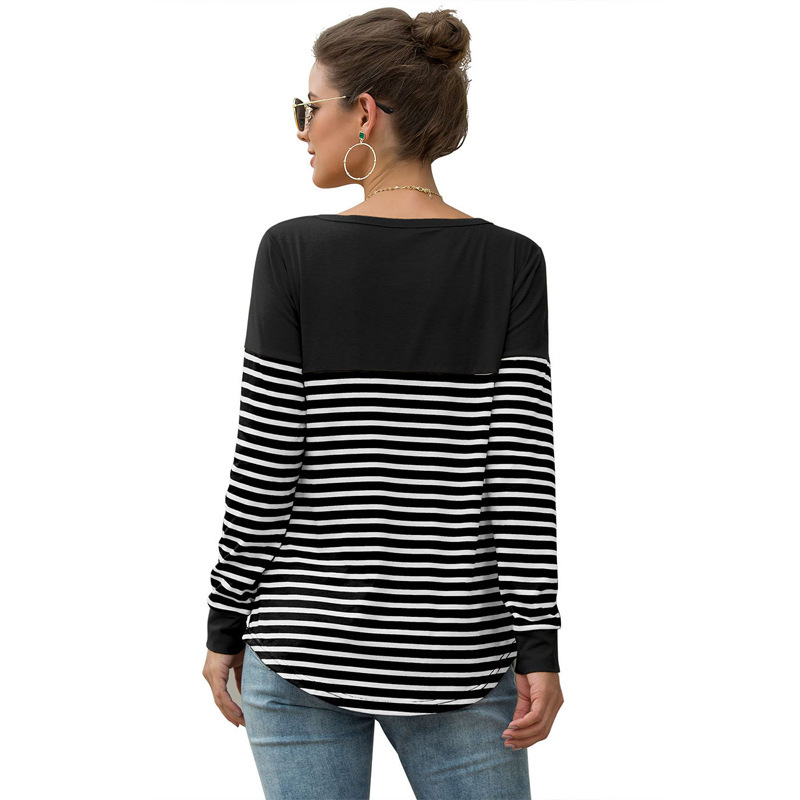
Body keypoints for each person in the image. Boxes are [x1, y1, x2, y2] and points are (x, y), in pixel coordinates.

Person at [201, 7, 564, 799]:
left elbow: (267, 460)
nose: (304, 131)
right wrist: (538, 644)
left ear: (363, 112)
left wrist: (225, 622)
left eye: (310, 107)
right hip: (458, 649)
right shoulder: (511, 262)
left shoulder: (292, 251)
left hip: (301, 641)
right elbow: (519, 475)